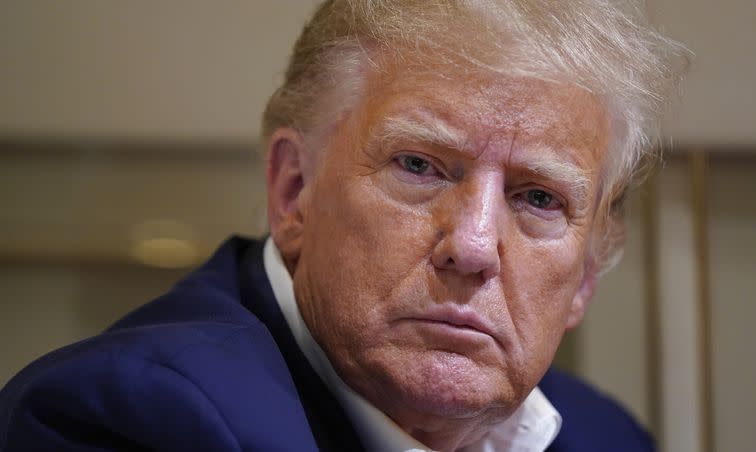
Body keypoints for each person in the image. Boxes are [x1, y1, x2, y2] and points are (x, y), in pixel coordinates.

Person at [0, 1, 688, 451]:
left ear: (585, 280)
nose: (474, 246)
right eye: (418, 164)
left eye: (538, 199)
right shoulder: (131, 421)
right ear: (294, 191)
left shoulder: (608, 438)